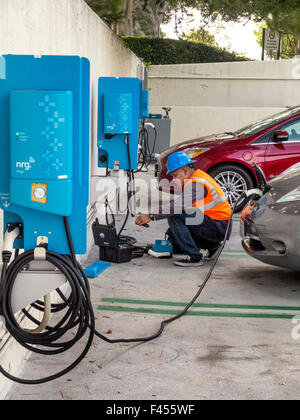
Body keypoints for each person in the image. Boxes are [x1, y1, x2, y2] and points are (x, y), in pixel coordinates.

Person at [135, 151, 232, 267]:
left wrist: (150, 216)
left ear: (185, 171)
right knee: (174, 234)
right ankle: (212, 246)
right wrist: (165, 208)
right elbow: (184, 204)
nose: (174, 180)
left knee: (174, 216)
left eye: (175, 175)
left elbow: (177, 207)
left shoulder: (196, 183)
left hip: (218, 227)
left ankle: (194, 256)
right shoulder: (197, 177)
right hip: (218, 225)